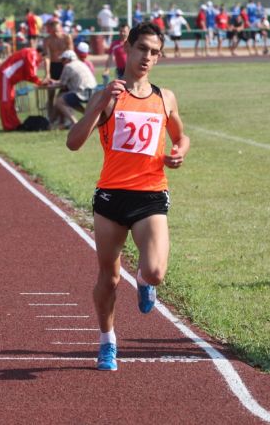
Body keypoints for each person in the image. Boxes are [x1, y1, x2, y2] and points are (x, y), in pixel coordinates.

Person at [66, 22, 190, 371]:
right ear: (128, 48)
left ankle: (146, 283)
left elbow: (182, 136)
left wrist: (180, 152)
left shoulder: (165, 97)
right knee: (109, 277)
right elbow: (73, 142)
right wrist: (100, 103)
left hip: (150, 193)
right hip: (111, 197)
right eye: (142, 49)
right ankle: (107, 341)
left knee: (155, 271)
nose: (147, 57)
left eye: (154, 52)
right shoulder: (108, 95)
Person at [0, 45, 47, 131]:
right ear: (41, 54)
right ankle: (8, 125)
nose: (41, 62)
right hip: (6, 76)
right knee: (6, 101)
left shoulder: (30, 52)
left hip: (9, 78)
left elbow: (28, 74)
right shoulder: (32, 54)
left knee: (11, 100)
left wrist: (39, 81)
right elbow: (31, 73)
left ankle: (14, 124)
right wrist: (40, 82)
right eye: (42, 59)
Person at [53, 49, 97, 128]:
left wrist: (52, 82)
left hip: (82, 91)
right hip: (93, 90)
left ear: (68, 59)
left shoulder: (68, 66)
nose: (62, 62)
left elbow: (62, 84)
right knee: (70, 100)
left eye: (63, 59)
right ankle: (89, 117)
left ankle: (74, 122)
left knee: (59, 101)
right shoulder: (81, 63)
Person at [44, 19, 74, 123]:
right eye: (53, 30)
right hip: (53, 66)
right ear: (50, 29)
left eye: (57, 29)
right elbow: (47, 57)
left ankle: (64, 118)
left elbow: (71, 54)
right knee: (50, 93)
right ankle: (50, 118)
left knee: (65, 91)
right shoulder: (47, 40)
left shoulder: (66, 37)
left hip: (64, 65)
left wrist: (70, 68)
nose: (56, 32)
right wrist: (47, 73)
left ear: (60, 28)